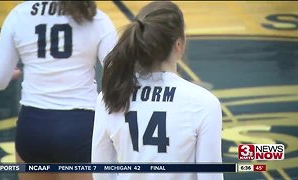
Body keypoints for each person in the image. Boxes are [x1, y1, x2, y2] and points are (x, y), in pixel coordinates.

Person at [92, 1, 223, 180]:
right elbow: (210, 177)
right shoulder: (204, 103)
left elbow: (101, 173)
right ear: (179, 44)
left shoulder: (109, 96)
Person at [0, 1, 117, 180]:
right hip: (79, 127)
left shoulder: (19, 14)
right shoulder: (95, 17)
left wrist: (11, 73)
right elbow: (119, 77)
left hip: (33, 126)